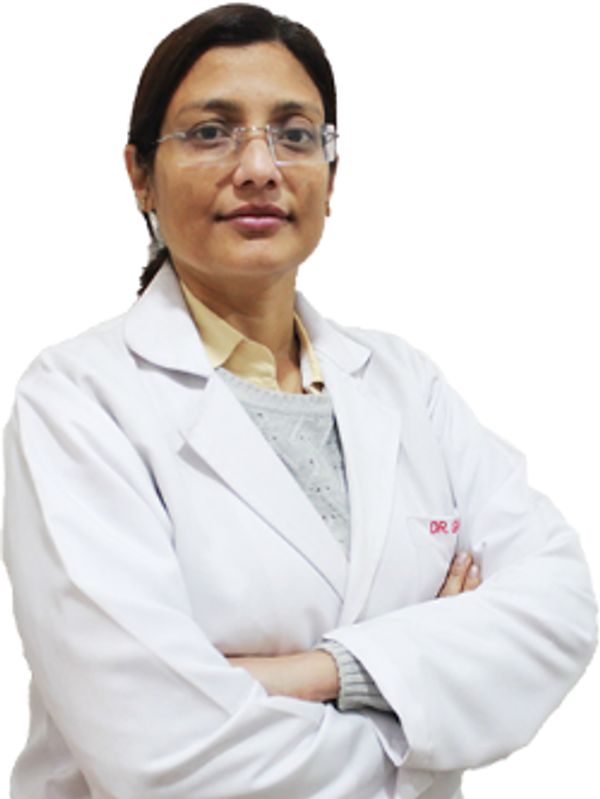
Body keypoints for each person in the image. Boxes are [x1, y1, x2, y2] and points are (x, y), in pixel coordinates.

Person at [2, 4, 596, 798]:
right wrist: (427, 707)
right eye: (211, 132)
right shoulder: (77, 402)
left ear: (331, 174)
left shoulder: (401, 380)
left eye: (295, 133)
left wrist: (310, 672)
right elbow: (165, 758)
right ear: (139, 174)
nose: (259, 166)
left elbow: (559, 609)